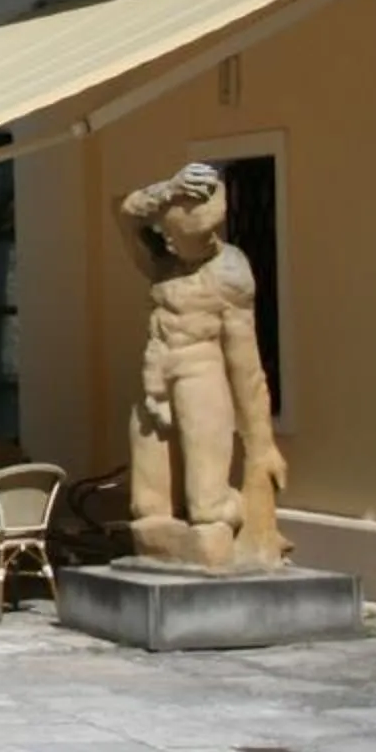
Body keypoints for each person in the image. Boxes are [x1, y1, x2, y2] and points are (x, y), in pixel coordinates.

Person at [116, 163, 287, 571]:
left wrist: (261, 445)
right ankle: (166, 552)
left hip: (201, 377)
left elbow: (246, 368)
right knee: (147, 505)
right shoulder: (162, 263)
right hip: (155, 382)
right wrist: (167, 188)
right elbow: (125, 215)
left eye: (208, 232)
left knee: (207, 508)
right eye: (182, 237)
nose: (208, 241)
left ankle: (220, 540)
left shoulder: (229, 272)